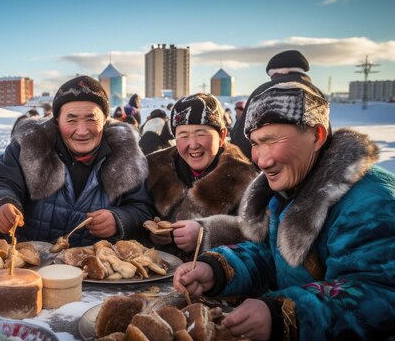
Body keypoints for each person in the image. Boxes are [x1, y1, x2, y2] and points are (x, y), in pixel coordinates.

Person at [173, 81, 395, 340]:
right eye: (256, 144)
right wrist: (218, 270)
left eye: (273, 141)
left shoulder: (370, 201)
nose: (262, 160)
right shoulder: (287, 189)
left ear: (318, 136)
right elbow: (269, 255)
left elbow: (380, 294)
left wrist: (286, 313)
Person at [0, 75, 154, 246]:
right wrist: (1, 204)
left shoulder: (126, 157)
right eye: (71, 120)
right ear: (57, 120)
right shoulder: (31, 146)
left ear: (105, 119)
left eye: (91, 119)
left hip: (96, 272)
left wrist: (119, 220)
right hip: (32, 268)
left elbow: (143, 209)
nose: (82, 131)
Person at [146, 94, 257, 259]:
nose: (193, 144)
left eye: (201, 133)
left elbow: (257, 238)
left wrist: (207, 234)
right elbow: (139, 213)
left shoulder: (245, 180)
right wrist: (155, 235)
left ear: (221, 136)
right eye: (183, 135)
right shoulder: (153, 169)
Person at [230, 50, 325, 159]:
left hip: (268, 168)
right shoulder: (316, 93)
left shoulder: (263, 91)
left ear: (275, 73)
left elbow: (242, 140)